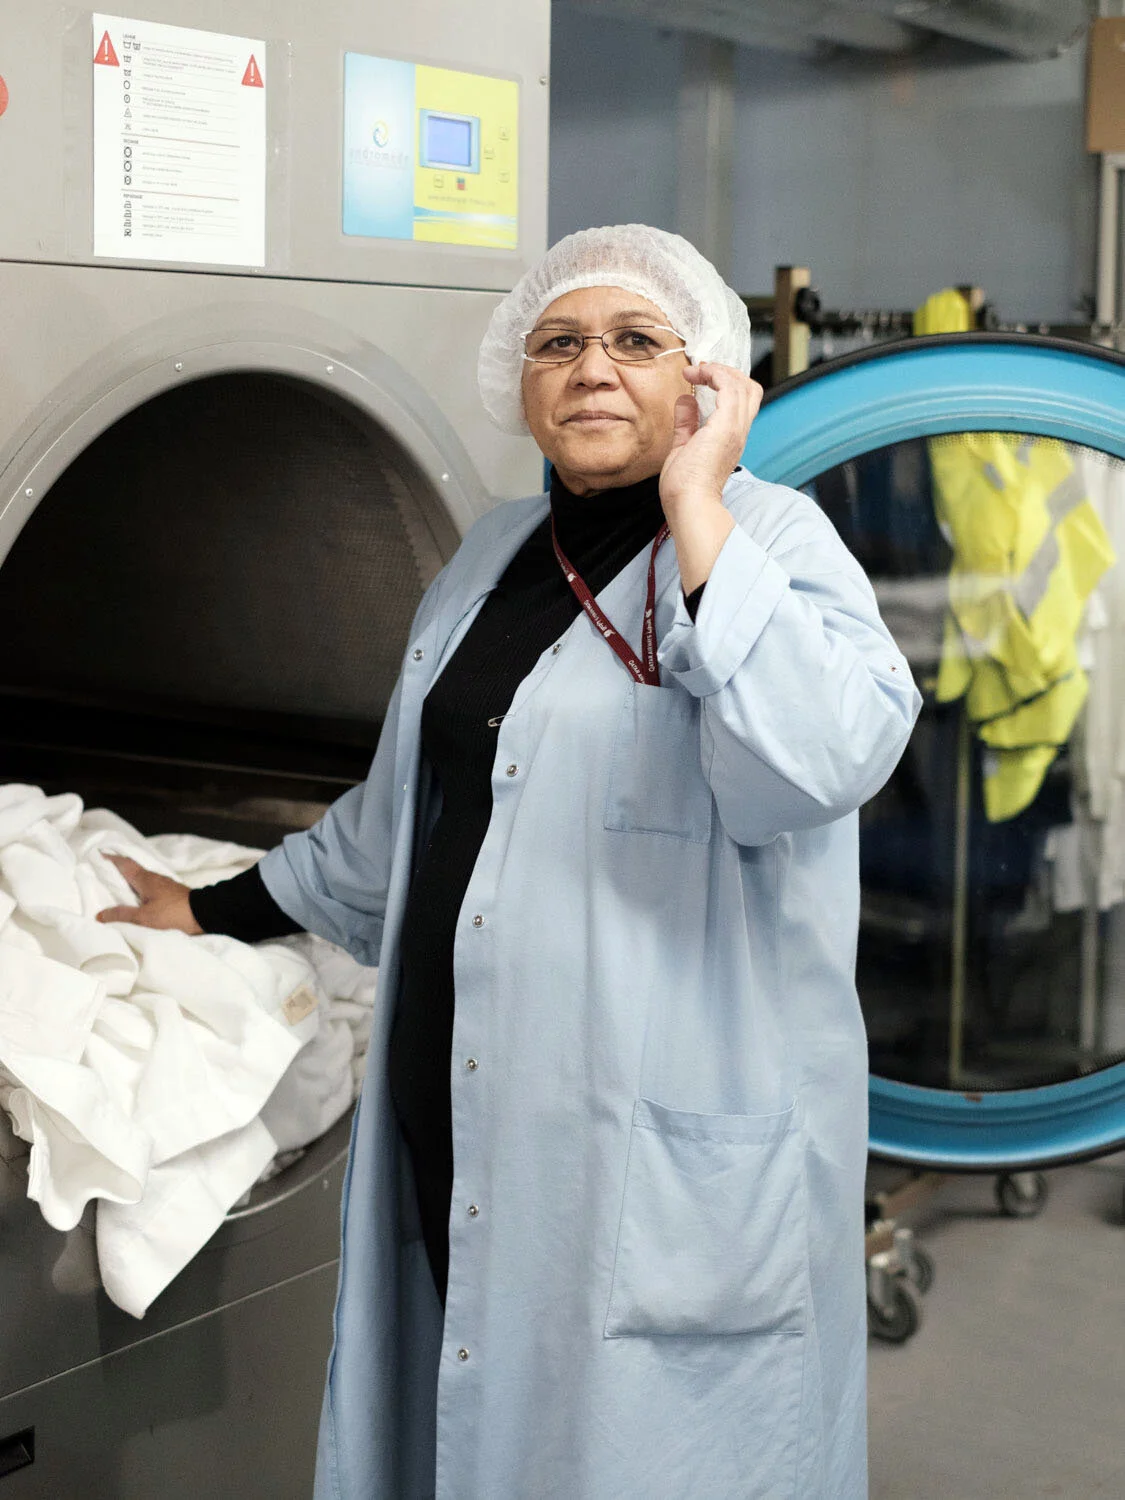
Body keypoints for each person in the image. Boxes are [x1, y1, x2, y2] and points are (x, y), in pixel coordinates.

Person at [98, 224, 920, 1499]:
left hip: (659, 1161)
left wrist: (700, 504)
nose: (593, 367)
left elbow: (822, 757)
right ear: (520, 379)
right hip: (475, 1128)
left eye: (637, 342)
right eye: (560, 342)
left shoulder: (777, 543)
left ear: (706, 381)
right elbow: (403, 820)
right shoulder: (487, 557)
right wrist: (210, 908)